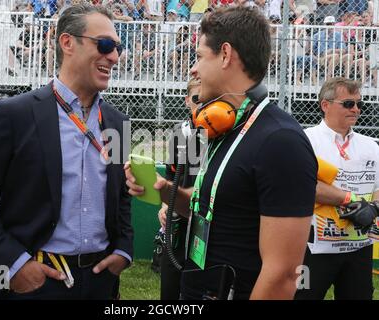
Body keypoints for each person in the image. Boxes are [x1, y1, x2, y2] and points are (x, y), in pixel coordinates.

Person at [125, 6, 317, 300]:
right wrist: (165, 193)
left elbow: (281, 275)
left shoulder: (281, 141)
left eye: (200, 57)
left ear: (226, 54)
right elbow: (217, 211)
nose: (193, 69)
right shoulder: (225, 126)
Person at [0, 3, 133, 300]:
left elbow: (121, 197)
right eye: (104, 45)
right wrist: (15, 264)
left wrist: (124, 250)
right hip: (33, 281)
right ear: (67, 43)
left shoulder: (118, 122)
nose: (113, 56)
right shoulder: (13, 114)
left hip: (99, 281)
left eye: (117, 47)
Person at [295, 77, 379, 300]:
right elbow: (303, 186)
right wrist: (351, 199)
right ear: (325, 105)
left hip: (358, 246)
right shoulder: (305, 140)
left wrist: (374, 207)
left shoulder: (370, 146)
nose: (356, 109)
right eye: (349, 104)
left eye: (360, 104)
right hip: (312, 247)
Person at [157, 77, 202, 300]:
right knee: (170, 280)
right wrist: (165, 205)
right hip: (179, 216)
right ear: (187, 101)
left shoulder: (222, 134)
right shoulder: (180, 132)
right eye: (197, 98)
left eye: (207, 98)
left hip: (205, 219)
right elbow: (171, 174)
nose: (202, 103)